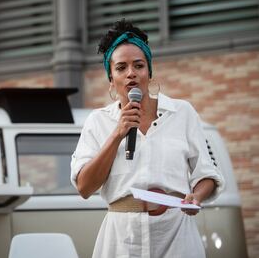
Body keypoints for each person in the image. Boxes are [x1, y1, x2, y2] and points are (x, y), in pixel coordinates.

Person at [70, 19, 224, 258]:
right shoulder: (98, 121)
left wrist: (197, 196)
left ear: (149, 72)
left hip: (176, 236)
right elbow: (84, 187)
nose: (131, 73)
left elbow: (207, 174)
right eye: (121, 68)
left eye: (138, 66)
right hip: (122, 240)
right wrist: (117, 134)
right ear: (111, 79)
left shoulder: (182, 113)